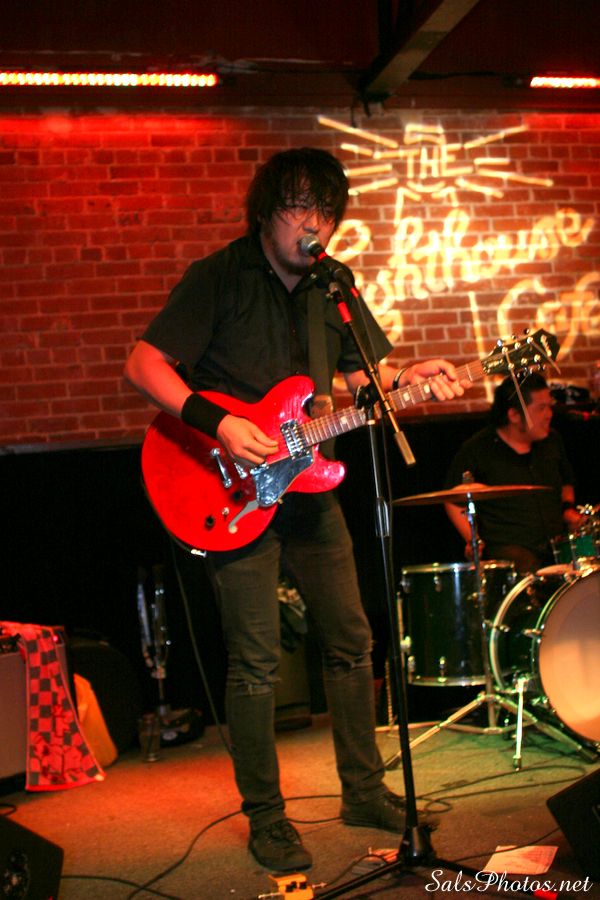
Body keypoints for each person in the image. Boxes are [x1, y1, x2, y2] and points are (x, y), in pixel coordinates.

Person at [125, 147, 468, 873]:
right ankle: (267, 818)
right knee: (254, 661)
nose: (315, 224)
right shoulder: (219, 276)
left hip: (309, 487)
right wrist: (219, 423)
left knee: (351, 638)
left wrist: (408, 377)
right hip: (229, 487)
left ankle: (363, 791)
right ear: (266, 211)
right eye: (300, 207)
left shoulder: (333, 287)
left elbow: (363, 377)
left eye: (327, 212)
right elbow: (144, 363)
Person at [444, 372, 583, 573]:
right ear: (514, 415)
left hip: (557, 546)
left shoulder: (552, 440)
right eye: (541, 408)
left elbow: (566, 481)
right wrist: (474, 540)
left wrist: (568, 509)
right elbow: (452, 499)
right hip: (509, 553)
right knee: (523, 563)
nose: (549, 414)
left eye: (549, 406)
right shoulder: (478, 449)